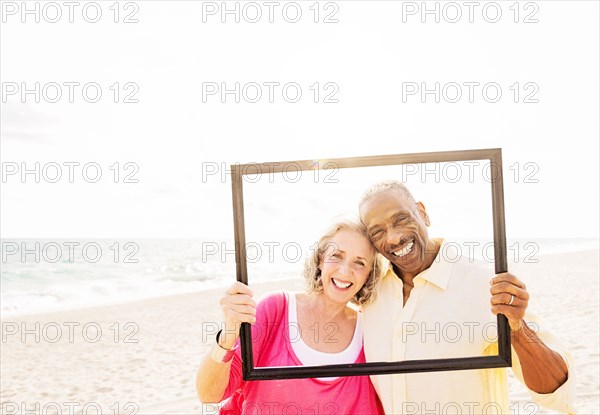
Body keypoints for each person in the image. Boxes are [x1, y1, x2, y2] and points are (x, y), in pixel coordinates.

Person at [358, 180, 576, 414]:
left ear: (422, 213)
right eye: (377, 232)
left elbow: (556, 394)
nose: (392, 238)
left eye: (401, 219)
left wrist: (517, 327)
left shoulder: (485, 287)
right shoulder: (368, 295)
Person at [196, 218, 385, 414]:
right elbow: (209, 394)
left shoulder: (367, 333)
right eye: (336, 256)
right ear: (320, 259)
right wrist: (229, 333)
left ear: (369, 273)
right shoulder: (275, 309)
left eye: (359, 263)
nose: (345, 271)